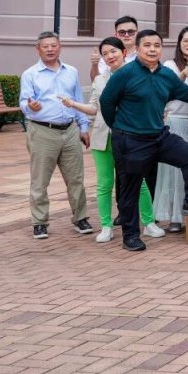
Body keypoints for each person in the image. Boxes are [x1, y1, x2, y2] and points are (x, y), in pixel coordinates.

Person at [99, 30, 188, 252]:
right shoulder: (124, 74)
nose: (152, 49)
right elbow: (106, 102)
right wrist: (118, 128)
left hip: (159, 136)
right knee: (130, 189)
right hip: (130, 140)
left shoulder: (166, 74)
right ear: (137, 48)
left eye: (156, 45)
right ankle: (131, 236)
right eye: (147, 45)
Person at [62, 36, 158, 243]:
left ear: (124, 52)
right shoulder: (100, 80)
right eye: (105, 54)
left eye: (113, 51)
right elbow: (93, 108)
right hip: (102, 138)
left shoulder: (138, 75)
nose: (109, 56)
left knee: (138, 181)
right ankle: (106, 226)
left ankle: (149, 223)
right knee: (104, 184)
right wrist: (73, 104)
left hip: (131, 138)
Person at [20, 31, 93, 240]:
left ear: (60, 47)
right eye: (46, 46)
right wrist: (31, 106)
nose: (50, 49)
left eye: (54, 45)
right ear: (38, 49)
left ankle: (81, 218)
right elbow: (24, 102)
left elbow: (78, 100)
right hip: (42, 131)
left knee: (76, 178)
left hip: (70, 130)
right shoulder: (30, 74)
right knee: (40, 180)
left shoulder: (71, 71)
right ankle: (40, 222)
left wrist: (84, 127)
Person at [157, 26, 188, 233]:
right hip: (176, 121)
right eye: (186, 40)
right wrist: (183, 74)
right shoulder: (170, 65)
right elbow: (167, 90)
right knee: (174, 172)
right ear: (179, 44)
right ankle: (175, 217)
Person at [90, 15, 138, 81]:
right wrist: (95, 65)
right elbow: (96, 81)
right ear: (115, 35)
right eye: (122, 32)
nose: (126, 35)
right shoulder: (108, 56)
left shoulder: (144, 55)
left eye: (130, 32)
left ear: (137, 33)